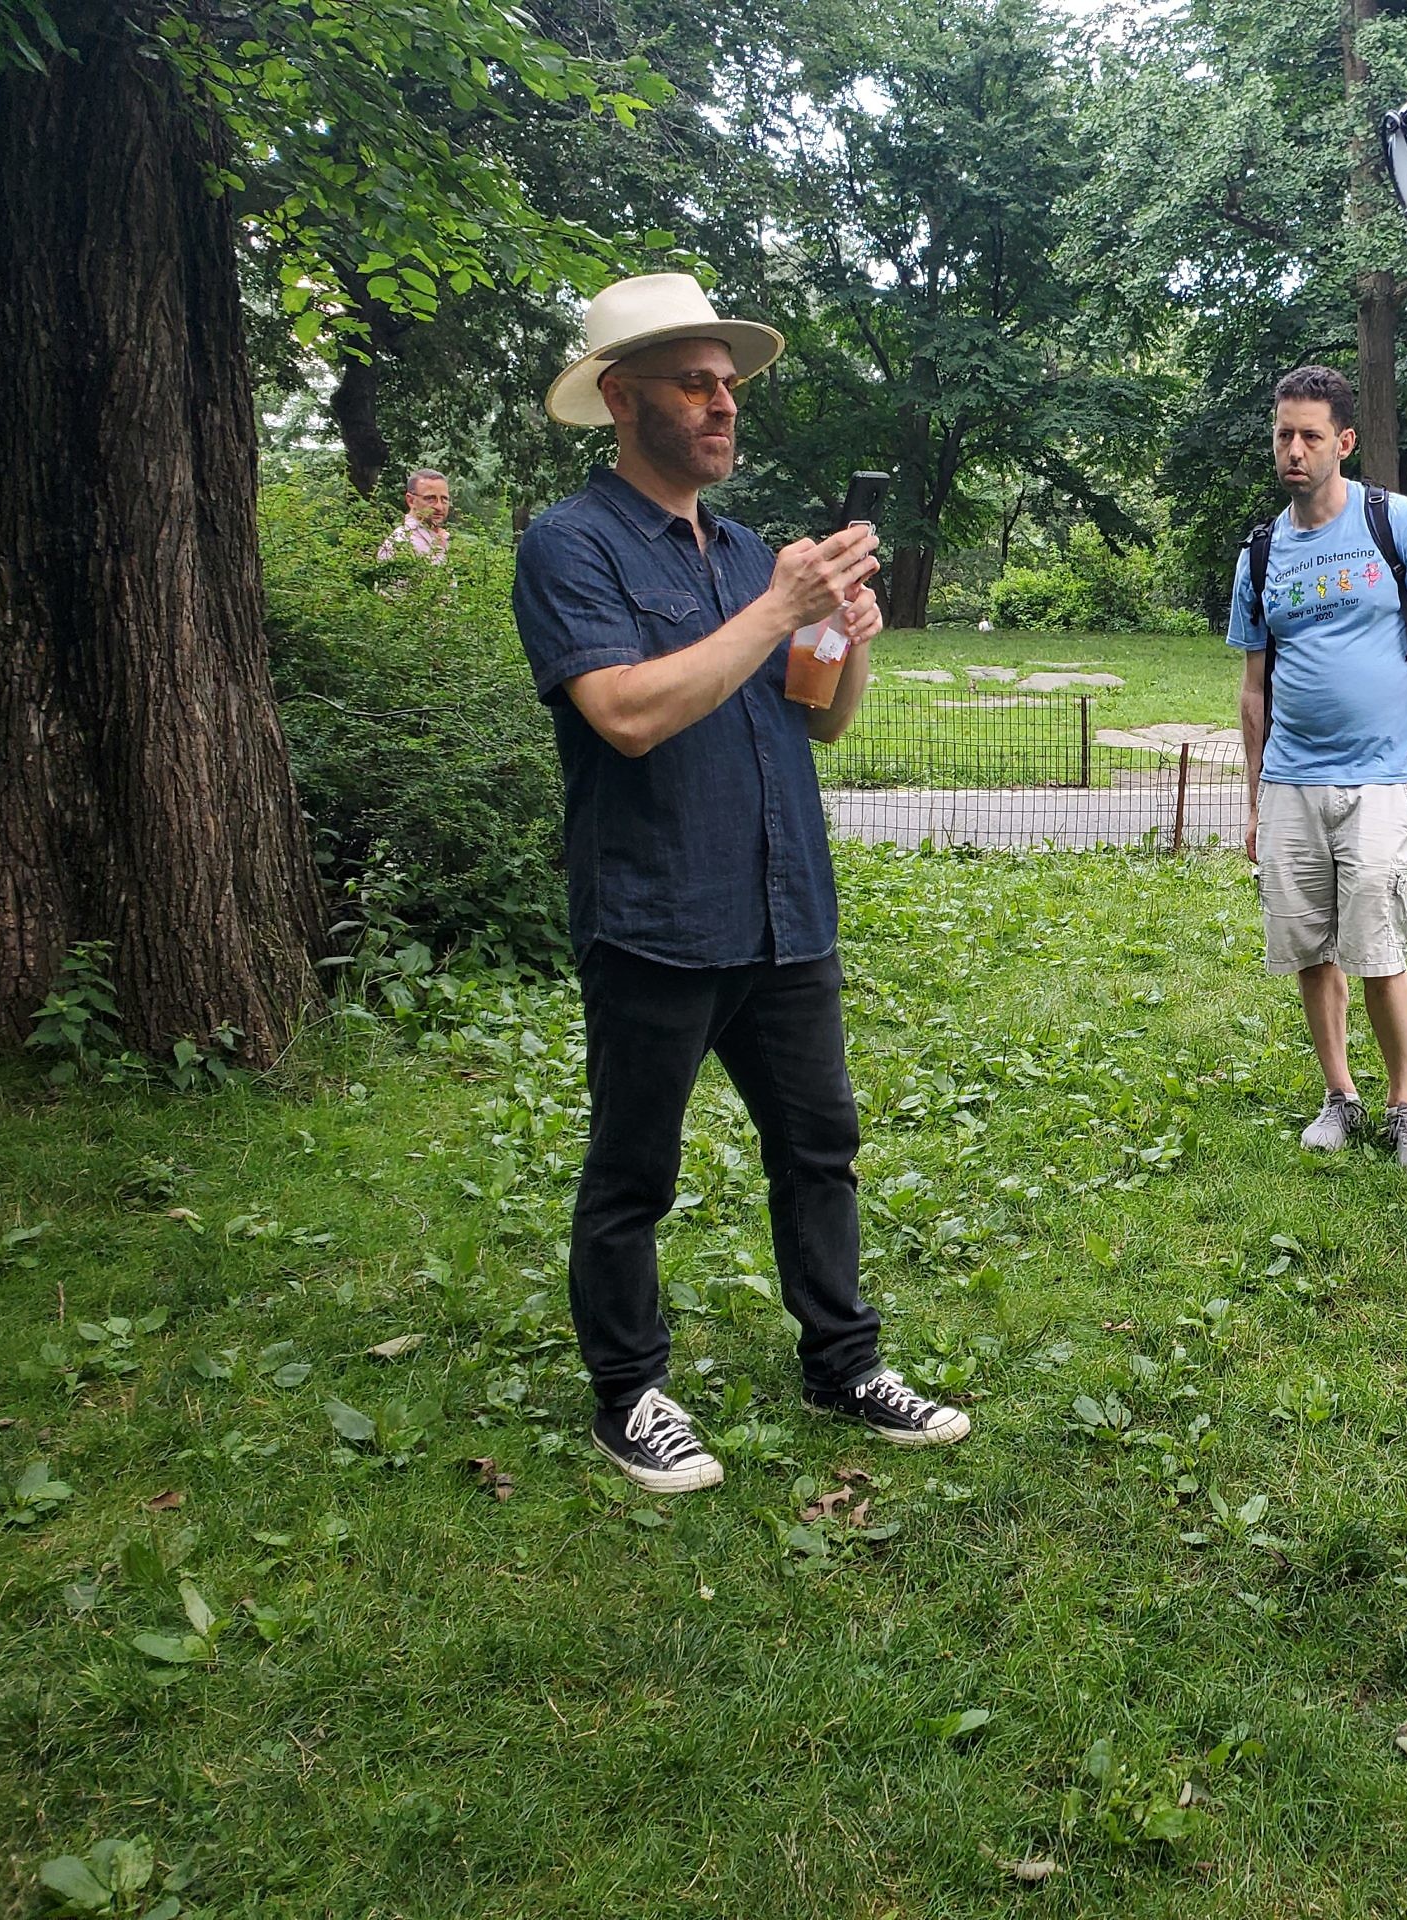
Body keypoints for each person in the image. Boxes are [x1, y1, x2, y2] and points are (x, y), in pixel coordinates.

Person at [513, 271, 969, 1494]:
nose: (723, 405)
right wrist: (779, 609)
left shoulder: (758, 554)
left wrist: (841, 639)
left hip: (783, 909)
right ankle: (629, 1395)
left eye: (729, 386)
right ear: (622, 398)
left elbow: (814, 724)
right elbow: (622, 713)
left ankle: (841, 1362)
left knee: (820, 1149)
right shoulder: (570, 545)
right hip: (658, 915)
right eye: (694, 384)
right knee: (632, 1172)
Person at [1229, 365, 1407, 1175]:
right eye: (1283, 436)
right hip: (1290, 780)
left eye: (1310, 437)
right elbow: (1254, 690)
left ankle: (1405, 1104)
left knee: (1377, 944)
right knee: (1309, 949)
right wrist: (1255, 794)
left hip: (1384, 777)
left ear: (1346, 442)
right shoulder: (1260, 553)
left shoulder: (1396, 523)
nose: (1294, 451)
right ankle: (1341, 1095)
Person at [377, 469, 453, 561]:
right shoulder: (399, 544)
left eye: (444, 499)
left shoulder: (443, 539)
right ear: (411, 501)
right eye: (430, 499)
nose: (439, 507)